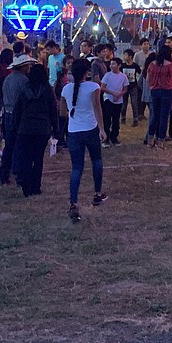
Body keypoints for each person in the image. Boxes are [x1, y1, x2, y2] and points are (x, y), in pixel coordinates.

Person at [60, 59, 107, 223]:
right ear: (87, 72)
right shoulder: (93, 87)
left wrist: (74, 115)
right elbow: (97, 108)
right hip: (90, 129)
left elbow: (62, 112)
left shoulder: (66, 89)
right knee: (96, 160)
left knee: (76, 168)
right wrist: (102, 129)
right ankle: (97, 193)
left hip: (74, 131)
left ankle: (73, 203)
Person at [10, 61, 59, 198]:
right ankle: (36, 186)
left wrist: (14, 127)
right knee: (38, 158)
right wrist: (56, 129)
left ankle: (26, 186)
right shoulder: (47, 90)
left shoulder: (24, 89)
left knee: (26, 157)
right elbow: (53, 111)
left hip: (25, 127)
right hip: (42, 128)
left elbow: (17, 110)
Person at [0, 55, 34, 186]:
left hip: (7, 113)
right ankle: (17, 172)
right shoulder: (24, 80)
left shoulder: (8, 78)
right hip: (18, 115)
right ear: (23, 66)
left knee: (9, 145)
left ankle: (5, 172)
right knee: (19, 145)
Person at [144, 45, 172, 148]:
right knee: (164, 117)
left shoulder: (152, 65)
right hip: (167, 91)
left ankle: (150, 139)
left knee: (155, 115)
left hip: (154, 91)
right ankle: (160, 141)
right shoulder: (171, 66)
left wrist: (152, 86)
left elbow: (148, 79)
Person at [100, 57, 127, 147]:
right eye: (111, 64)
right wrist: (113, 93)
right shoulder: (107, 75)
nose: (111, 66)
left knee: (116, 119)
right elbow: (103, 87)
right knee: (107, 119)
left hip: (118, 100)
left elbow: (125, 89)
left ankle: (114, 137)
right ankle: (106, 139)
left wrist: (119, 94)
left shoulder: (123, 76)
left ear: (119, 65)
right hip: (108, 99)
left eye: (114, 64)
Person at [120, 49, 141, 127]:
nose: (124, 57)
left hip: (133, 86)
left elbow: (139, 73)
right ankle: (123, 117)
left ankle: (135, 119)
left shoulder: (135, 66)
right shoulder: (122, 66)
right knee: (124, 103)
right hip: (124, 86)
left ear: (130, 56)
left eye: (126, 55)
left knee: (134, 103)